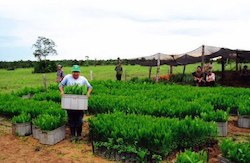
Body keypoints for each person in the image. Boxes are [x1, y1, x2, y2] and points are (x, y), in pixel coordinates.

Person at [59, 65, 93, 142]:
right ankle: (73, 135)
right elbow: (60, 85)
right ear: (72, 72)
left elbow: (90, 87)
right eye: (74, 72)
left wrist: (88, 93)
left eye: (77, 72)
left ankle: (79, 135)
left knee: (79, 119)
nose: (75, 74)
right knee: (71, 119)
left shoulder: (83, 79)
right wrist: (62, 91)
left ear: (79, 73)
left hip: (80, 103)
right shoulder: (67, 77)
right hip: (70, 103)